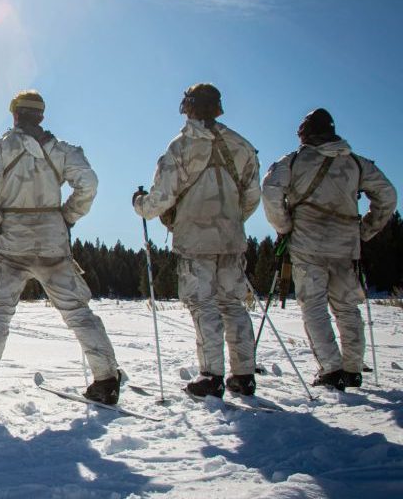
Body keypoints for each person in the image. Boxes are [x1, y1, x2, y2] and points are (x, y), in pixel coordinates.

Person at [0, 90, 121, 413]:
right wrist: (67, 215)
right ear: (41, 116)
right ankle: (107, 380)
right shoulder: (62, 150)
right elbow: (89, 183)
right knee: (77, 311)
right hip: (53, 239)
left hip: (12, 239)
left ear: (14, 115)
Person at [132, 83, 261, 398]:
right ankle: (243, 376)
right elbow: (252, 195)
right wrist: (231, 220)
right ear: (218, 108)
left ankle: (211, 375)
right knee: (233, 305)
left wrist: (140, 204)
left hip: (194, 239)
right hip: (232, 239)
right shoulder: (241, 145)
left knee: (203, 305)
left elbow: (161, 198)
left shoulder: (181, 147)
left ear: (187, 106)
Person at [261, 108, 396, 390]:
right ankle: (353, 369)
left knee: (314, 307)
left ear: (306, 134)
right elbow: (387, 194)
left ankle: (331, 369)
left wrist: (284, 226)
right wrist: (365, 231)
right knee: (347, 307)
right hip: (346, 246)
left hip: (307, 243)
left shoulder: (295, 160)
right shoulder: (356, 163)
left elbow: (271, 190)